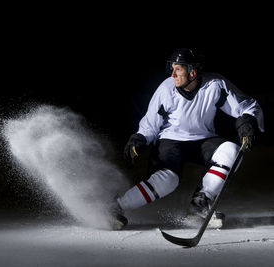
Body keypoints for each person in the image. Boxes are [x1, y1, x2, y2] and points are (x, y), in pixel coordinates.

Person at [111, 48, 264, 230]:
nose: (172, 73)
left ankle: (200, 205)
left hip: (203, 139)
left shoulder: (215, 84)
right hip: (170, 140)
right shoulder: (166, 89)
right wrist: (139, 138)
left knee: (231, 151)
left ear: (193, 71)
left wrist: (247, 121)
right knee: (167, 181)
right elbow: (150, 124)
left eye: (178, 69)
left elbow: (247, 105)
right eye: (172, 68)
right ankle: (116, 207)